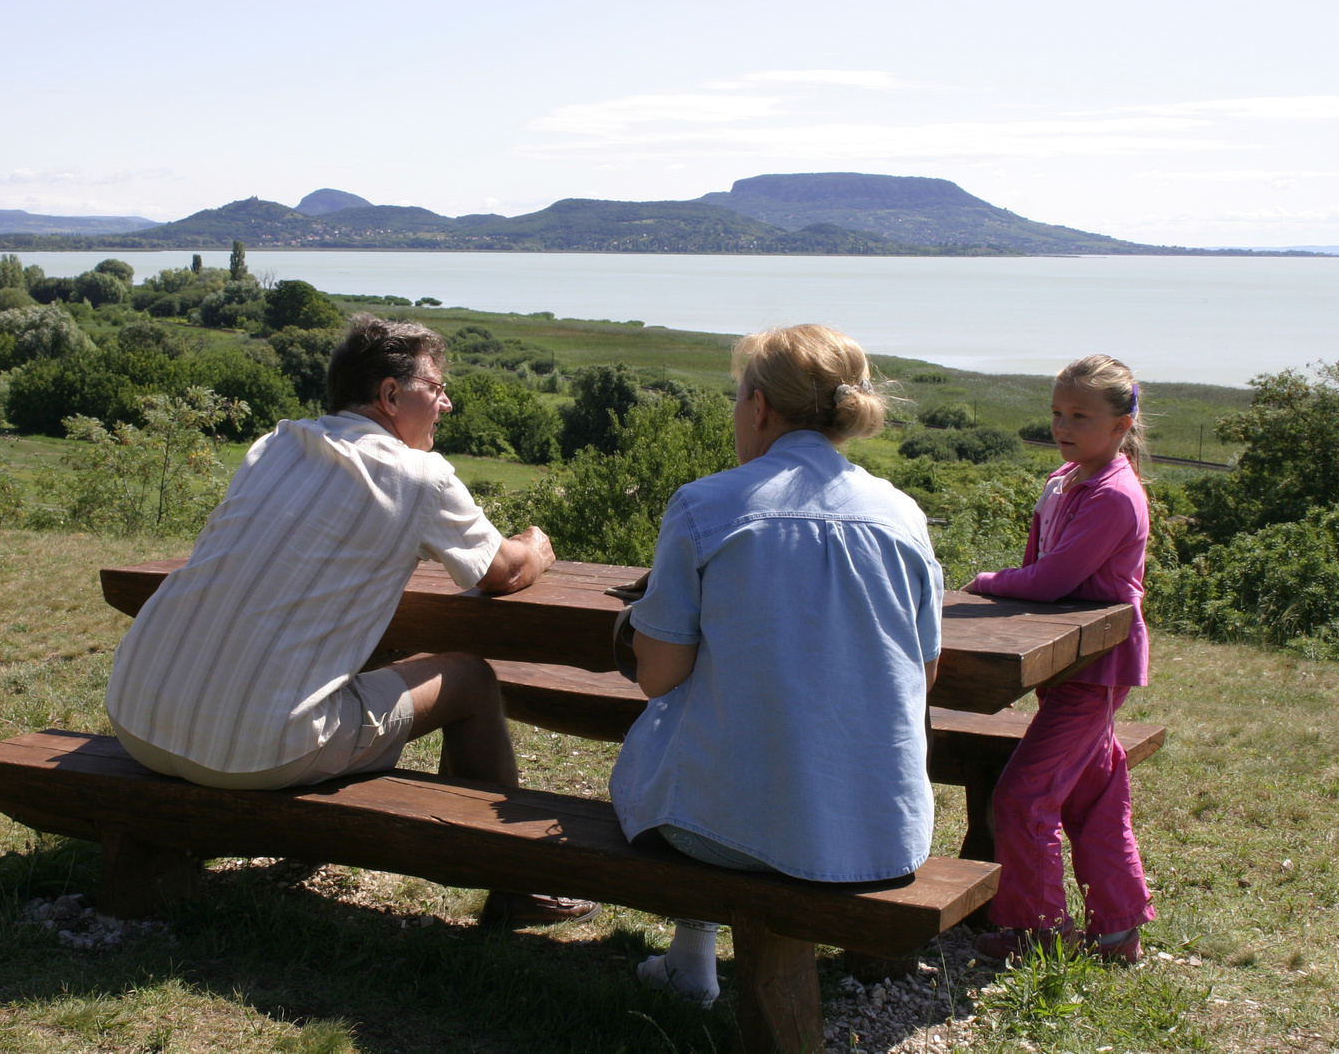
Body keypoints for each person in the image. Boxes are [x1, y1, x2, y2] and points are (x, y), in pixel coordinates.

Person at [105, 313, 596, 927]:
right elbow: (503, 571)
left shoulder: (276, 445)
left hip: (139, 713)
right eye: (435, 387)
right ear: (390, 395)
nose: (447, 402)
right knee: (471, 679)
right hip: (259, 749)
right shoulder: (420, 476)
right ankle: (515, 883)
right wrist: (539, 545)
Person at [609, 324, 945, 1006]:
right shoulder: (904, 515)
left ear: (759, 406)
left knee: (689, 744)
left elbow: (658, 675)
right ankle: (691, 956)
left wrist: (635, 624)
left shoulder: (706, 505)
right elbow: (923, 673)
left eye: (738, 398)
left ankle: (692, 955)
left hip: (728, 834)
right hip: (883, 833)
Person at [965, 353, 1154, 965]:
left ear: (1122, 424)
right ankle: (1118, 930)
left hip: (1095, 667)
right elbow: (1042, 560)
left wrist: (989, 581)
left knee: (1022, 798)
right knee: (1093, 795)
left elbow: (1052, 578)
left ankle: (1037, 933)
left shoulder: (1114, 495)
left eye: (1080, 415)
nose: (1063, 426)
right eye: (1056, 413)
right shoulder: (1068, 477)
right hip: (1069, 664)